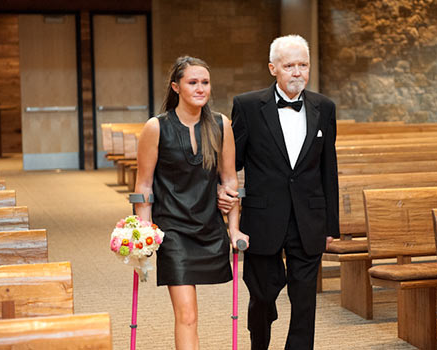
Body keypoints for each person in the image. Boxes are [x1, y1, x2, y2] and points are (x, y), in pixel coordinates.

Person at [219, 34, 340, 350]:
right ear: (273, 68)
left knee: (304, 302)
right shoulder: (247, 106)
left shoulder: (324, 108)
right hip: (263, 218)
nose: (297, 72)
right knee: (262, 296)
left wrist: (331, 225)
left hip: (308, 218)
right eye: (289, 65)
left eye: (303, 65)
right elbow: (233, 162)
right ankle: (259, 343)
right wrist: (221, 194)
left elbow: (329, 169)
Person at [134, 56, 249, 350]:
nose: (201, 88)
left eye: (205, 82)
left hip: (209, 227)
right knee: (187, 314)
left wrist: (233, 229)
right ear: (176, 87)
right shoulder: (155, 128)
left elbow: (230, 181)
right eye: (193, 82)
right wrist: (144, 232)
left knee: (192, 315)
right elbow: (144, 186)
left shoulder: (221, 125)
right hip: (172, 231)